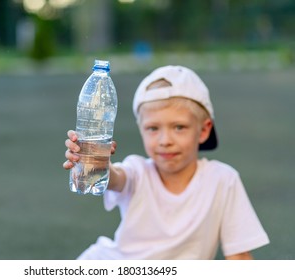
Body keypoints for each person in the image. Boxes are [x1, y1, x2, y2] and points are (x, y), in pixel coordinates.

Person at [63, 65, 269, 260]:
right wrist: (96, 163)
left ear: (204, 130)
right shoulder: (137, 172)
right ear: (141, 129)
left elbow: (240, 257)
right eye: (153, 128)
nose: (165, 141)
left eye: (179, 127)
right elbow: (115, 178)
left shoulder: (223, 181)